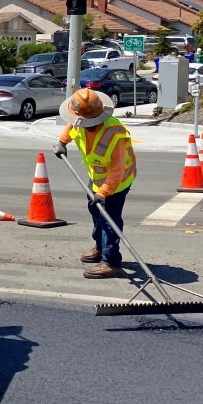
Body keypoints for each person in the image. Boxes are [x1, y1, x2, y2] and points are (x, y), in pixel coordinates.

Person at [53, 87, 137, 279]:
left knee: (110, 220)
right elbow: (71, 127)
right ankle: (99, 247)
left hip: (118, 182)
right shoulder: (80, 121)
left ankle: (111, 262)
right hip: (97, 178)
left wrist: (103, 193)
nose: (81, 124)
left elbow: (117, 171)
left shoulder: (115, 134)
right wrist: (62, 143)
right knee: (96, 212)